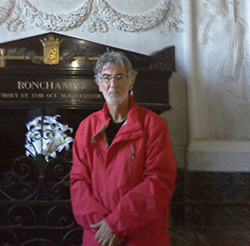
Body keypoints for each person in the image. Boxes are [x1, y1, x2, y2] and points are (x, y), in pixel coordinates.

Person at [70, 51, 176, 245]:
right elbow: (79, 182)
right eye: (106, 78)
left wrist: (116, 225)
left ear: (131, 83)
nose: (113, 84)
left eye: (120, 77)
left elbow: (158, 182)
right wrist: (103, 227)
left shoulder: (154, 126)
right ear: (99, 85)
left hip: (141, 235)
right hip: (99, 236)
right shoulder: (86, 128)